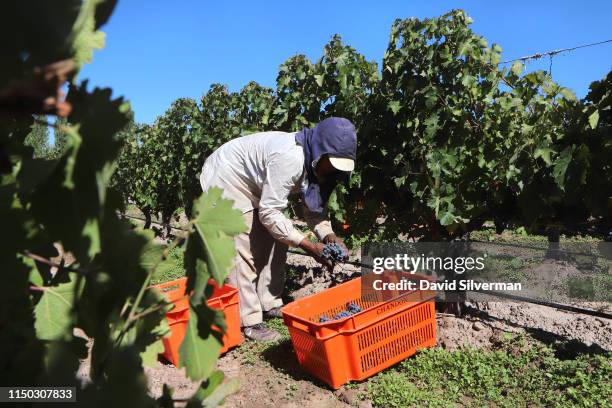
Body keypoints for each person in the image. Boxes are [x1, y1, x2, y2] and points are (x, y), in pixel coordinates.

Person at [199, 117, 357, 341]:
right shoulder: (290, 157)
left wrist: (328, 235)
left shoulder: (323, 168)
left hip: (256, 184)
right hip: (227, 177)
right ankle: (249, 321)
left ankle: (269, 302)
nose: (332, 169)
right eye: (331, 163)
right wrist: (308, 245)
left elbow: (313, 210)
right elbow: (269, 212)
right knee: (242, 248)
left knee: (278, 240)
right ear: (320, 151)